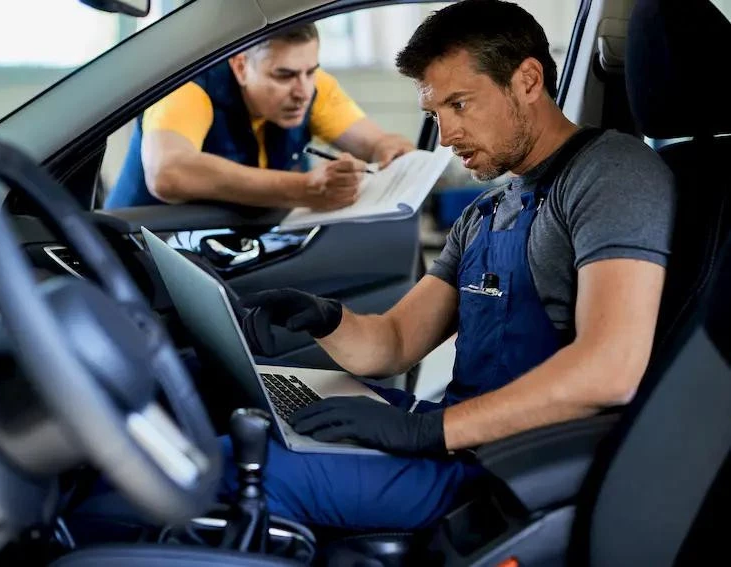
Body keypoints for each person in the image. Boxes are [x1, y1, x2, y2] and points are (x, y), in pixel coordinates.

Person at [225, 0, 676, 530]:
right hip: (458, 439)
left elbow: (610, 368)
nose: (446, 135)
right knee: (250, 422)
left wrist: (424, 432)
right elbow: (393, 343)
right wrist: (323, 317)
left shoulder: (610, 173)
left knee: (234, 470)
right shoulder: (486, 211)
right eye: (436, 113)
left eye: (459, 104)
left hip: (513, 469)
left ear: (528, 81)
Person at [104, 23, 414, 210]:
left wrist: (388, 149)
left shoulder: (312, 86)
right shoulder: (189, 88)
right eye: (284, 75)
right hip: (135, 257)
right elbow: (169, 173)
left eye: (311, 72)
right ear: (240, 67)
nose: (303, 92)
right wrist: (305, 188)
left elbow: (377, 144)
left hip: (223, 250)